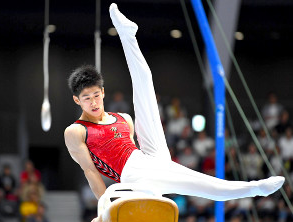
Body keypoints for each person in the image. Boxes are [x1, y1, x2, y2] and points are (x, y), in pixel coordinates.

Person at [64, 3, 284, 202]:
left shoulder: (124, 119)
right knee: (202, 185)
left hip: (149, 158)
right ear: (77, 100)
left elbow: (135, 148)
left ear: (103, 92)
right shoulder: (76, 131)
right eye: (86, 98)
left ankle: (127, 34)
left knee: (146, 83)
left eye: (95, 95)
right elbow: (90, 171)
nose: (93, 102)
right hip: (134, 175)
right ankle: (254, 189)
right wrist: (104, 207)